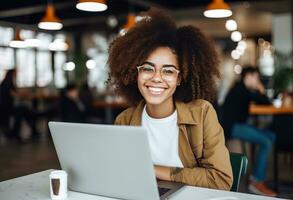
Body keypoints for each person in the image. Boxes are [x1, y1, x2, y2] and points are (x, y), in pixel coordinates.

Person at [107, 9, 233, 190]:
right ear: (136, 73)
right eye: (148, 69)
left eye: (168, 71)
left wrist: (154, 170)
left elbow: (221, 180)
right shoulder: (124, 121)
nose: (156, 78)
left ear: (180, 78)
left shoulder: (202, 114)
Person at [222, 66, 276, 196]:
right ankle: (256, 181)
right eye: (256, 77)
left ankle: (257, 174)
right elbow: (266, 102)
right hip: (233, 128)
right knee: (266, 142)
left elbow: (264, 103)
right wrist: (261, 90)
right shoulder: (242, 90)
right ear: (248, 77)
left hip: (238, 125)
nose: (257, 81)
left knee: (271, 136)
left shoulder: (241, 88)